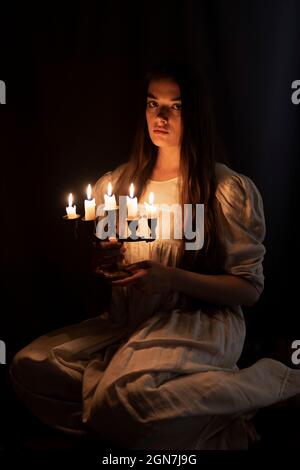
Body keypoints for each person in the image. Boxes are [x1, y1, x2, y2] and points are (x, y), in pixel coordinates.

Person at [10, 60, 300, 450]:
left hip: (199, 324)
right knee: (31, 368)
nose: (160, 117)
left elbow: (249, 289)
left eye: (175, 106)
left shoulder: (224, 190)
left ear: (195, 113)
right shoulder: (118, 185)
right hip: (127, 321)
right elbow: (110, 263)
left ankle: (268, 385)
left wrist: (172, 278)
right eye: (153, 103)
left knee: (125, 399)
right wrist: (105, 265)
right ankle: (166, 413)